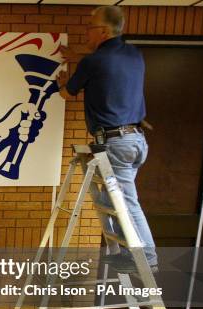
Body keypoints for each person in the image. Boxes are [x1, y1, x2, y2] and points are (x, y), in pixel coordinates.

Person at [57, 5, 158, 272]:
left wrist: (62, 82)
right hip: (135, 141)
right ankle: (121, 252)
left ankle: (147, 255)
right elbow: (104, 58)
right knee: (106, 201)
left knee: (126, 200)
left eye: (90, 29)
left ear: (101, 31)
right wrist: (78, 54)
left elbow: (68, 93)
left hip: (115, 142)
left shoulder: (93, 62)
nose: (87, 34)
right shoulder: (133, 54)